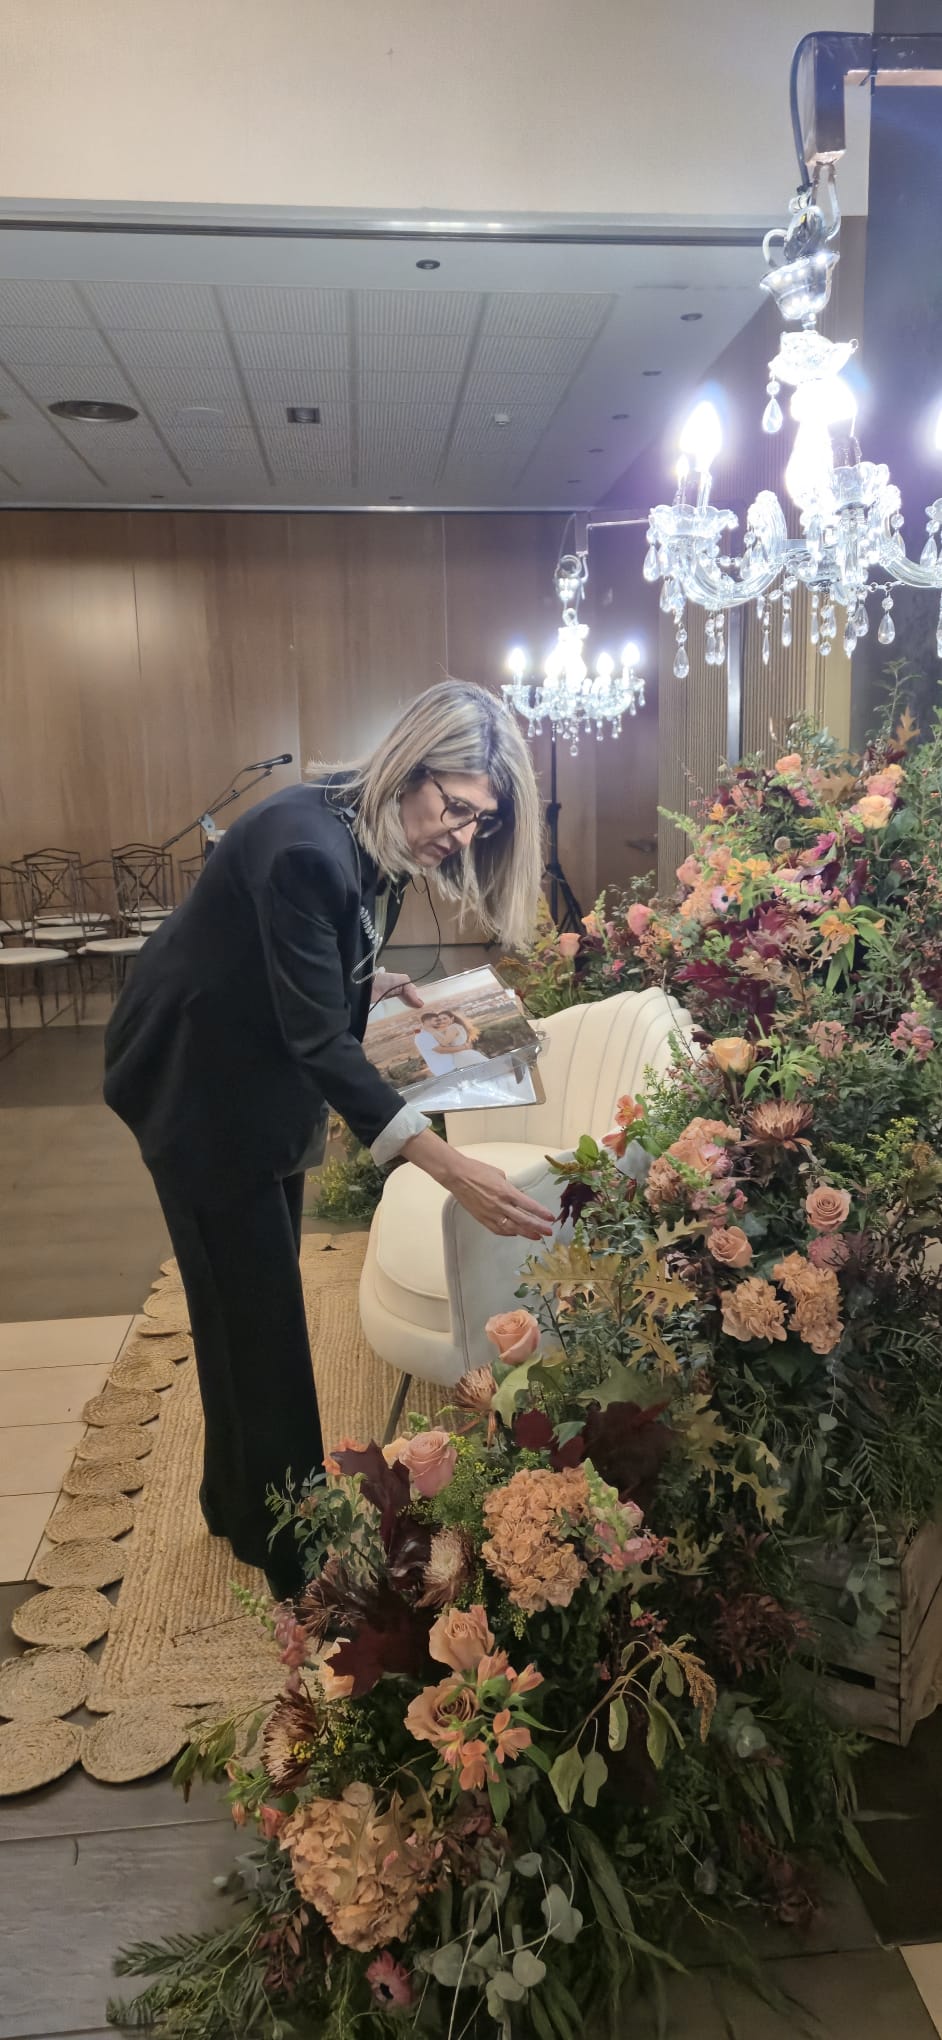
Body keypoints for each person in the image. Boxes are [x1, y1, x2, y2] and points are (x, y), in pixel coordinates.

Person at [103, 680, 553, 1598]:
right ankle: (301, 1563)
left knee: (239, 1308)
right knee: (260, 1326)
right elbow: (318, 1043)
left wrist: (366, 978)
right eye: (457, 807)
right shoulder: (305, 846)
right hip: (196, 1085)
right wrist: (450, 1166)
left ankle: (238, 1507)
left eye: (481, 821)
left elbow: (306, 956)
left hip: (246, 1075)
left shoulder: (367, 829)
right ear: (413, 766)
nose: (463, 834)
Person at [412, 1007, 482, 1077]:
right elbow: (441, 1050)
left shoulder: (433, 1032)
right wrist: (463, 1047)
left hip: (455, 1065)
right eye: (436, 1020)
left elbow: (448, 1041)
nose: (439, 1022)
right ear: (427, 1022)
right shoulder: (423, 1035)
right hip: (445, 1069)